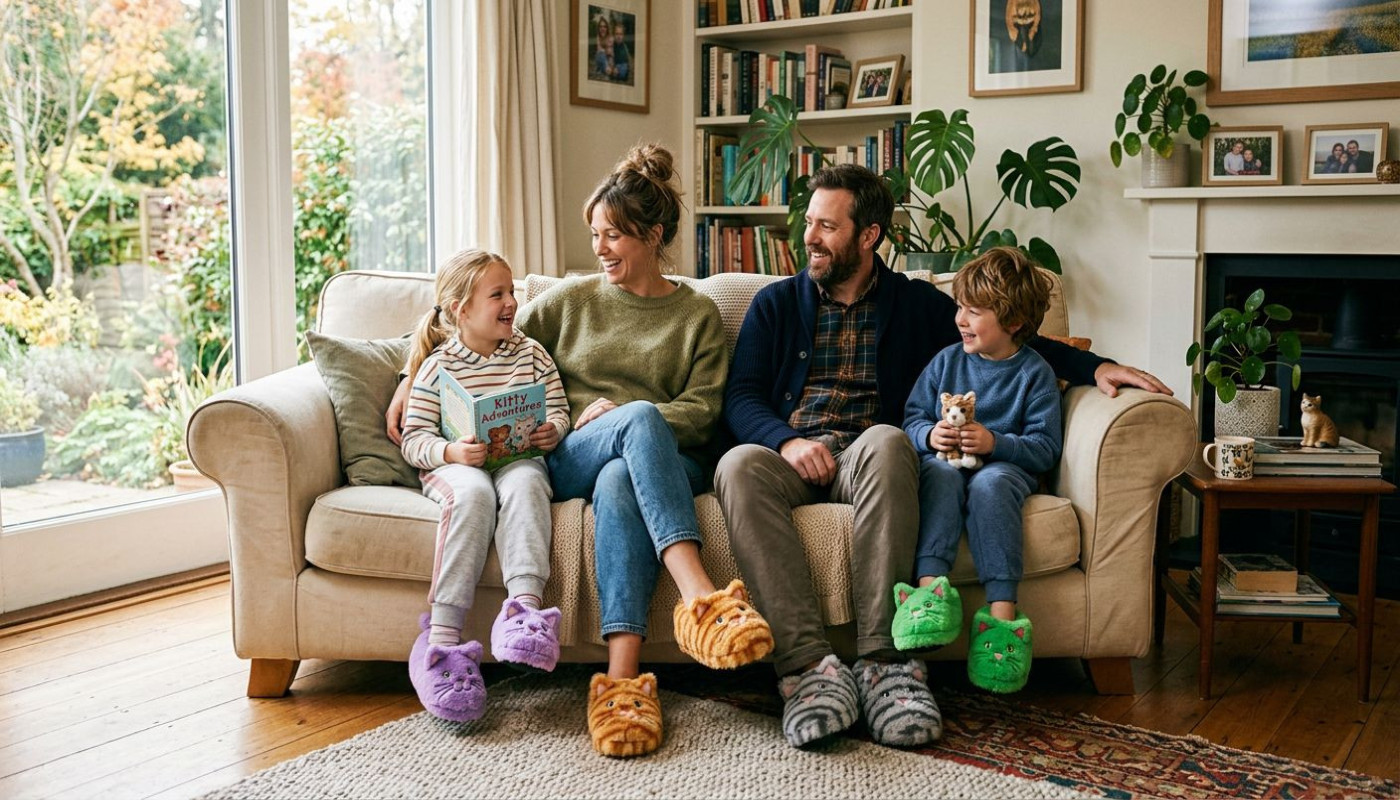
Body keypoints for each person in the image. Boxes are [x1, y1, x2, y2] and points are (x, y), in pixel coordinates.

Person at [714, 163, 1170, 751]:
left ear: (869, 234)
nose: (810, 237)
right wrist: (787, 440)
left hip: (869, 463)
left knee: (887, 438)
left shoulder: (915, 305)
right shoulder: (776, 304)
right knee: (736, 464)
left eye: (826, 226)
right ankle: (807, 672)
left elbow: (1012, 343)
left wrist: (1095, 366)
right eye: (809, 222)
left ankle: (885, 665)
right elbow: (743, 397)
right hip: (794, 455)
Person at [391, 144, 773, 758]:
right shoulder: (569, 302)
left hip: (670, 461)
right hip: (570, 453)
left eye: (614, 236)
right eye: (594, 234)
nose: (599, 249)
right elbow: (474, 333)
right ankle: (701, 597)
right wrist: (410, 380)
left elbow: (704, 412)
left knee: (628, 461)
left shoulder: (697, 314)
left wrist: (626, 417)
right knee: (626, 436)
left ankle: (622, 682)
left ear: (652, 236)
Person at [398, 248, 572, 723]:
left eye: (511, 291)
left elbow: (559, 410)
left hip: (514, 458)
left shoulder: (531, 353)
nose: (511, 301)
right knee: (474, 493)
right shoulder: (437, 366)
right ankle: (442, 642)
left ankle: (524, 613)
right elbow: (414, 439)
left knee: (527, 482)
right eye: (498, 293)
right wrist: (452, 453)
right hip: (456, 466)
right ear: (462, 310)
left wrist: (551, 431)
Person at [895, 247, 1061, 696]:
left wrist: (996, 443)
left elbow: (1045, 448)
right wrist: (929, 435)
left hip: (1005, 471)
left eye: (974, 311)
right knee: (939, 475)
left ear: (1012, 323)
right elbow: (910, 419)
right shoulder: (946, 361)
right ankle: (929, 595)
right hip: (945, 465)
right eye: (960, 308)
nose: (961, 320)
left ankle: (1002, 622)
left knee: (990, 483)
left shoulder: (1036, 374)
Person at [592, 15, 613, 80]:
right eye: (600, 26)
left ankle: (605, 71)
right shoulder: (598, 37)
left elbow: (611, 54)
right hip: (600, 60)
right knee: (601, 53)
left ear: (607, 28)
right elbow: (599, 50)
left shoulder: (610, 37)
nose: (602, 28)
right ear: (598, 28)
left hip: (609, 61)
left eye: (604, 26)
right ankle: (606, 71)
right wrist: (606, 50)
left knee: (609, 54)